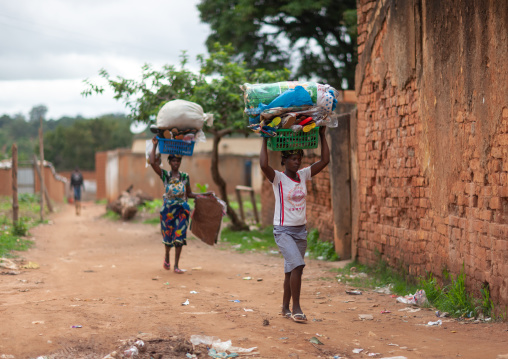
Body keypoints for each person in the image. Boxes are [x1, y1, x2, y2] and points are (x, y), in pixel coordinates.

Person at [260, 126, 329, 322]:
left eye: (299, 158)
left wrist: (323, 135)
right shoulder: (278, 179)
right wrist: (264, 139)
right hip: (283, 231)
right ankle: (296, 308)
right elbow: (264, 165)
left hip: (300, 231)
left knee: (290, 270)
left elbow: (325, 160)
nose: (297, 161)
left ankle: (284, 307)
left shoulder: (304, 175)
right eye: (292, 158)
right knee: (298, 265)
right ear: (284, 160)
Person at [149, 136, 212, 273]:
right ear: (170, 162)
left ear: (180, 162)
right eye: (173, 160)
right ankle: (167, 256)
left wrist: (205, 194)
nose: (176, 163)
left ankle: (176, 265)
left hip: (182, 210)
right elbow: (153, 163)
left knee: (180, 237)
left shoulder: (185, 177)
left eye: (178, 160)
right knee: (168, 236)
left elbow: (189, 194)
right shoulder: (165, 175)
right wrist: (154, 145)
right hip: (168, 211)